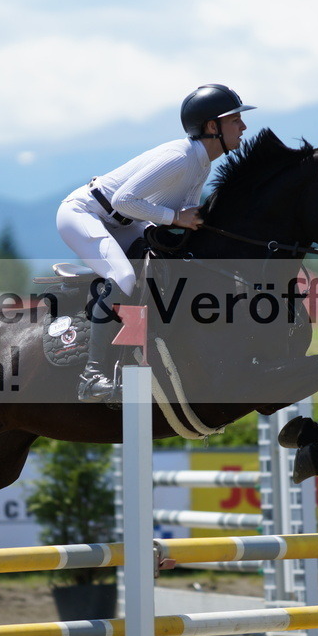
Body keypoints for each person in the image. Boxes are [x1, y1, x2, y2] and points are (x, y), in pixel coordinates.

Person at [57, 84, 255, 403]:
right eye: (235, 120)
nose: (243, 126)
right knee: (123, 276)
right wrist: (176, 218)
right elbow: (124, 200)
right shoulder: (180, 157)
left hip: (123, 221)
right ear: (211, 127)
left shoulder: (201, 163)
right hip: (84, 213)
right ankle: (91, 376)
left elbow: (181, 216)